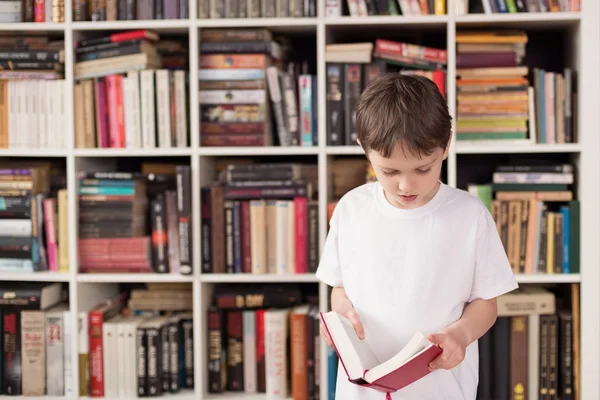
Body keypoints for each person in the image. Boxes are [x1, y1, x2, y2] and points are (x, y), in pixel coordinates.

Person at [316, 72, 518, 400]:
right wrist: (341, 318)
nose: (406, 186)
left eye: (423, 169)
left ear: (446, 145)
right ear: (365, 152)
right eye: (389, 171)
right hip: (362, 391)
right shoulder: (351, 209)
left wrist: (461, 334)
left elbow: (487, 301)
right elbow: (340, 289)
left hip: (441, 388)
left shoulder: (469, 216)